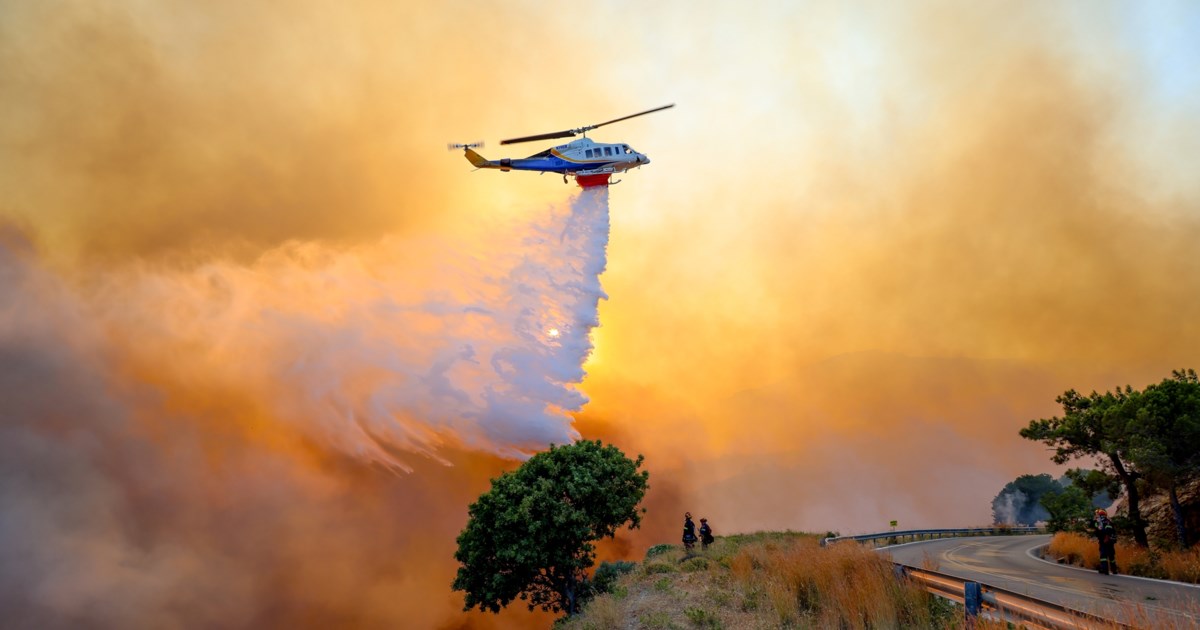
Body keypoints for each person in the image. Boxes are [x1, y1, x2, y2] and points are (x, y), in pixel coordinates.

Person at [1093, 508, 1118, 575]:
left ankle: (1105, 569)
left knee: (1103, 556)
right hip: (1109, 541)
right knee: (1111, 556)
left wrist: (1106, 538)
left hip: (1105, 541)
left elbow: (1107, 530)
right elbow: (1097, 529)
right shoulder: (1106, 521)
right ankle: (1113, 570)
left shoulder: (1105, 522)